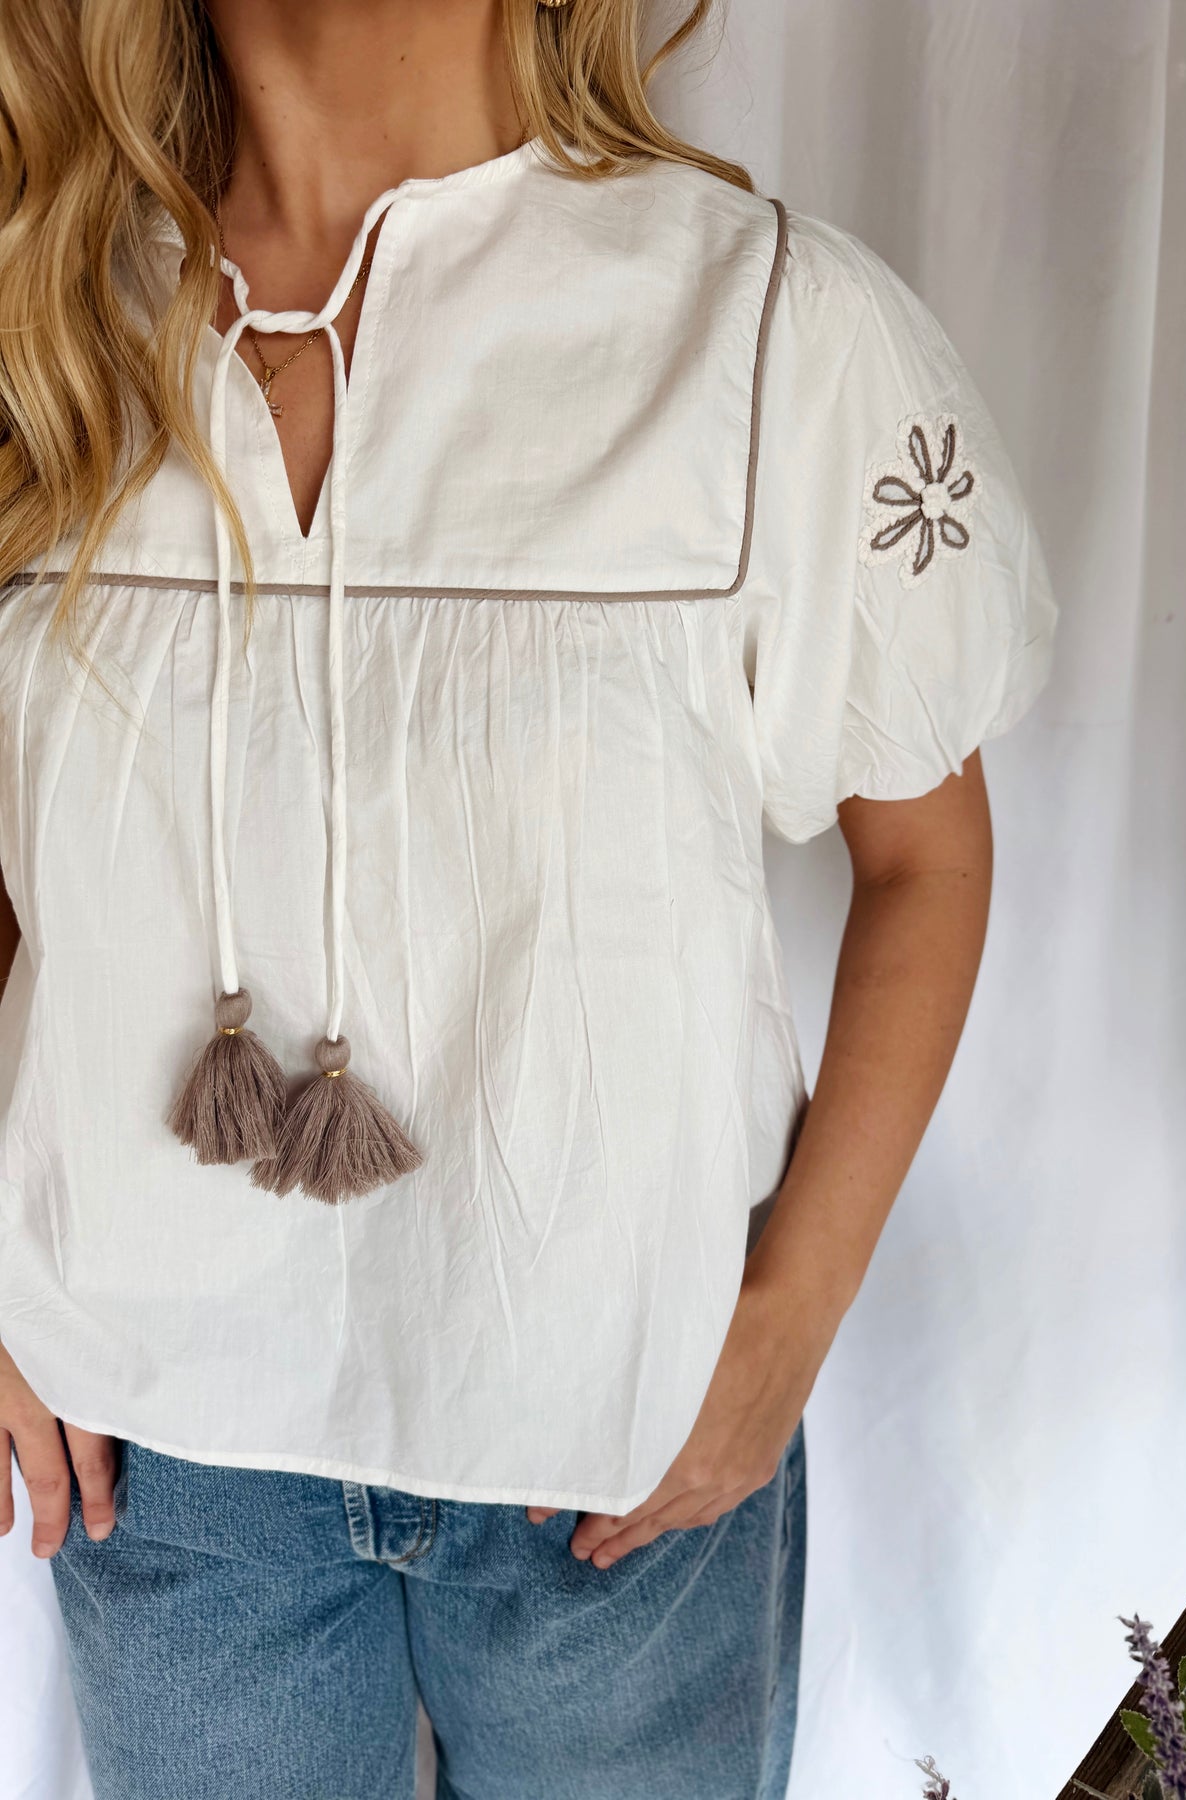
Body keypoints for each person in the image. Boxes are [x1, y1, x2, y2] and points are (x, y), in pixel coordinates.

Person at [0, 0, 1057, 1795]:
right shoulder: (50, 329)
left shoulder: (757, 325)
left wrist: (786, 1318)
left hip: (620, 1444)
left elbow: (923, 856)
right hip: (157, 1454)